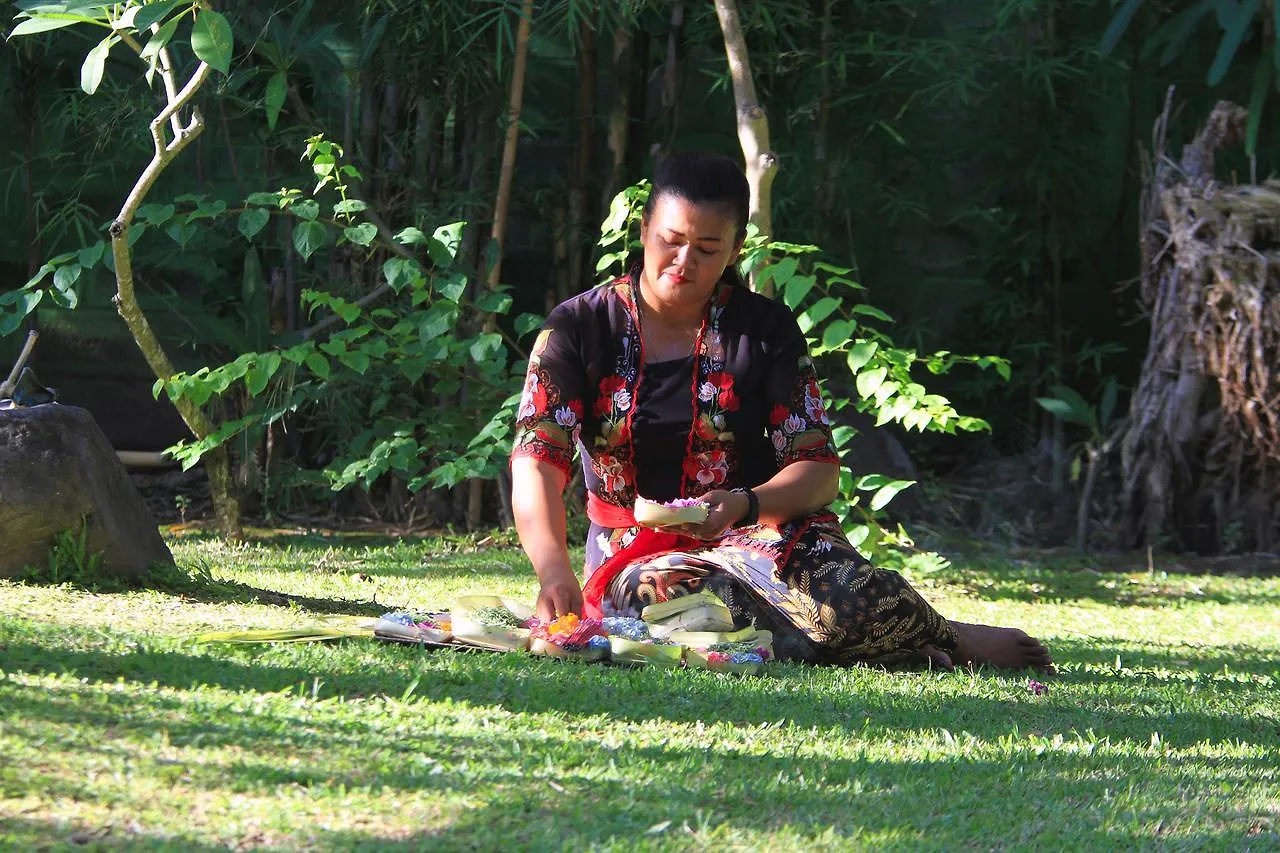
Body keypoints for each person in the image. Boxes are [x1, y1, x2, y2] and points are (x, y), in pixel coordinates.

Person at [509, 152, 1053, 672]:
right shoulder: (579, 327)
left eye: (707, 247)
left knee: (844, 589)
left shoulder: (765, 329)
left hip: (765, 536)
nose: (684, 261)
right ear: (645, 228)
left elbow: (817, 471)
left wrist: (746, 503)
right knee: (667, 605)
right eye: (670, 240)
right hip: (638, 559)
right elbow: (537, 458)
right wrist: (553, 569)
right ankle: (892, 640)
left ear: (736, 248)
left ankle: (930, 634)